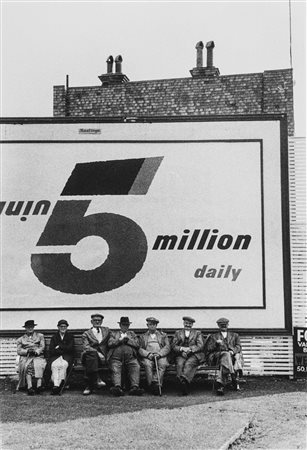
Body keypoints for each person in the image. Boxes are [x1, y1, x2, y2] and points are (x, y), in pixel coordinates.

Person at [205, 317, 244, 396]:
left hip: (230, 357)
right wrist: (216, 344)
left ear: (228, 325)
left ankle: (221, 385)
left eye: (225, 324)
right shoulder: (213, 336)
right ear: (218, 326)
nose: (223, 326)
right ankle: (232, 374)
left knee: (225, 361)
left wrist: (232, 351)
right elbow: (208, 348)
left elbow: (239, 346)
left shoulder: (235, 335)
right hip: (217, 356)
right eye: (221, 325)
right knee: (226, 355)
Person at [107, 317, 144, 396]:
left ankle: (135, 387)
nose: (125, 327)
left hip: (130, 358)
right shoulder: (113, 334)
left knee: (136, 366)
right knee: (115, 367)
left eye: (127, 325)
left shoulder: (132, 334)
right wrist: (119, 341)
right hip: (116, 358)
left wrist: (128, 341)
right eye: (123, 325)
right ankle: (117, 387)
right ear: (120, 325)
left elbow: (137, 345)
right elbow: (110, 343)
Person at [172, 316, 205, 395]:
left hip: (193, 354)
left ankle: (184, 383)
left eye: (190, 324)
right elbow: (173, 345)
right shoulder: (178, 333)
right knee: (179, 364)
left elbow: (200, 345)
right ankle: (182, 384)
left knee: (188, 364)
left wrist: (190, 349)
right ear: (183, 323)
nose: (188, 325)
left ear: (192, 325)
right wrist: (181, 349)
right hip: (181, 354)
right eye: (186, 323)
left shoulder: (197, 333)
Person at [139, 317, 170, 395]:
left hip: (160, 355)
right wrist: (147, 354)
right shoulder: (143, 336)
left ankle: (156, 383)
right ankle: (151, 385)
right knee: (147, 364)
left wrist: (159, 354)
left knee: (163, 364)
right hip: (148, 356)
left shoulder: (163, 335)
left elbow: (167, 347)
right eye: (150, 325)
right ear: (147, 325)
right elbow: (139, 348)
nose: (152, 326)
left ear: (156, 325)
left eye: (153, 325)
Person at [81, 313, 110, 395]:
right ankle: (97, 379)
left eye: (99, 320)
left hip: (104, 357)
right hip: (89, 356)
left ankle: (89, 386)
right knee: (91, 355)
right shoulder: (86, 334)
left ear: (102, 321)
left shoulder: (107, 330)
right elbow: (86, 347)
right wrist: (97, 353)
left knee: (90, 359)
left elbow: (112, 340)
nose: (97, 322)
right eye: (95, 320)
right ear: (91, 322)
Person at [16, 320, 47, 395]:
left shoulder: (40, 336)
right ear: (25, 328)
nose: (30, 328)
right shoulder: (21, 339)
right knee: (27, 366)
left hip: (38, 356)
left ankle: (38, 386)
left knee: (39, 365)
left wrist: (37, 351)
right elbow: (19, 350)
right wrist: (27, 351)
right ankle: (30, 387)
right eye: (28, 327)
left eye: (31, 327)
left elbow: (42, 346)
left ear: (34, 327)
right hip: (27, 357)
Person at [46, 319, 74, 395]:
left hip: (67, 357)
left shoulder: (70, 337)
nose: (63, 328)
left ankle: (57, 386)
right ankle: (57, 385)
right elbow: (51, 350)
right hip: (55, 357)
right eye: (61, 326)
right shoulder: (54, 337)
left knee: (63, 365)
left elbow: (70, 349)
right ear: (58, 327)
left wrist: (59, 347)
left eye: (65, 326)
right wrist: (63, 348)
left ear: (67, 327)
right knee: (54, 365)